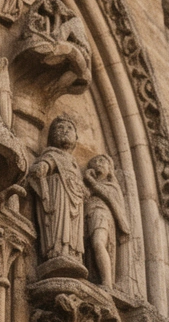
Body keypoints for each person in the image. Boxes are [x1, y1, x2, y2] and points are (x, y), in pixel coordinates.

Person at [26, 116, 87, 277]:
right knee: (60, 224)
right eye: (60, 128)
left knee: (73, 230)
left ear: (76, 137)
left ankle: (73, 254)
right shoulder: (52, 154)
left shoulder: (74, 164)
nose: (65, 131)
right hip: (59, 195)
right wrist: (42, 167)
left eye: (69, 128)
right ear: (51, 136)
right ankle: (58, 251)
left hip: (74, 200)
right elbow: (45, 164)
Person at [83, 154, 130, 288]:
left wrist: (91, 181)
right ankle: (96, 278)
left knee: (98, 242)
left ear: (110, 169)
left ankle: (107, 282)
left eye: (102, 161)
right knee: (90, 249)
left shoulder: (112, 186)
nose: (98, 163)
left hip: (102, 215)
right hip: (89, 216)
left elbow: (108, 195)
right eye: (94, 161)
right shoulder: (90, 188)